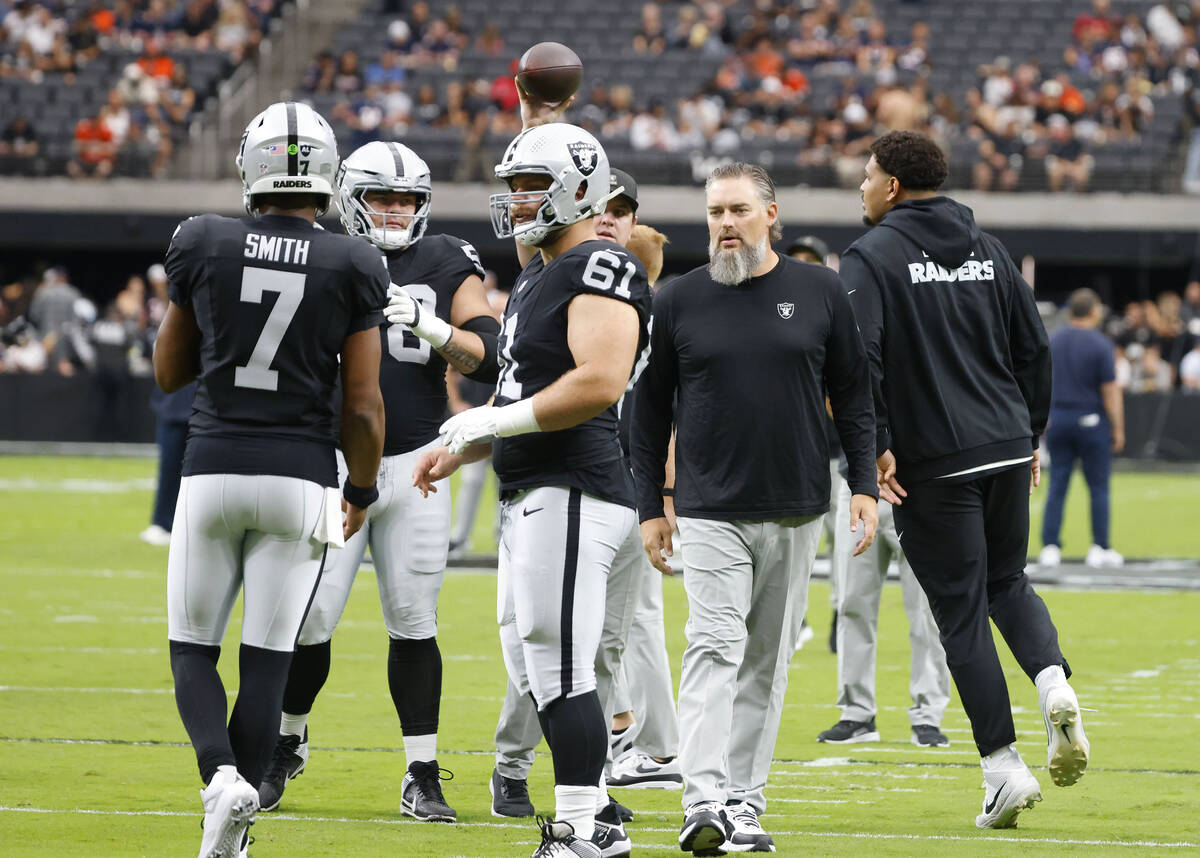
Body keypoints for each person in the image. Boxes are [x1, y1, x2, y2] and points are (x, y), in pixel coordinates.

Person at [155, 101, 388, 858]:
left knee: (194, 647)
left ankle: (220, 777)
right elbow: (363, 404)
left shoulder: (203, 240)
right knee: (268, 659)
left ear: (252, 168)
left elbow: (168, 372)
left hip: (214, 465)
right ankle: (242, 817)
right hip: (302, 476)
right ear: (328, 174)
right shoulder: (354, 259)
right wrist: (360, 488)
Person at [413, 123, 651, 858]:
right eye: (514, 186)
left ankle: (583, 824)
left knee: (560, 661)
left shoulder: (601, 262)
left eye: (532, 186)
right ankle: (590, 815)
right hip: (533, 488)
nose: (518, 200)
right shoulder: (542, 273)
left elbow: (599, 380)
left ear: (578, 188)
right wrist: (468, 443)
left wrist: (489, 418)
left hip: (575, 484)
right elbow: (526, 391)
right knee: (534, 665)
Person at [842, 130, 1089, 830]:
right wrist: (1029, 433)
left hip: (934, 463)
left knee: (958, 612)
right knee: (1008, 582)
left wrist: (876, 449)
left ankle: (1002, 769)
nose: (861, 187)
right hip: (1008, 446)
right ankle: (1052, 682)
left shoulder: (872, 253)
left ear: (891, 186)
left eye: (867, 176)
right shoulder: (989, 246)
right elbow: (1032, 347)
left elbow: (861, 361)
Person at [632, 162, 878, 856]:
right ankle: (703, 799)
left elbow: (856, 400)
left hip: (799, 508)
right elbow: (648, 417)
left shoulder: (822, 292)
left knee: (765, 663)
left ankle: (745, 802)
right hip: (709, 512)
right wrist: (653, 504)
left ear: (771, 215)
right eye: (715, 213)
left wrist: (861, 485)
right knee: (713, 647)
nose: (725, 225)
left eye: (738, 210)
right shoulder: (677, 300)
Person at [255, 140, 501, 821]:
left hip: (418, 464)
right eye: (383, 198)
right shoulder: (320, 253)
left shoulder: (446, 259)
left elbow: (490, 357)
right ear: (348, 198)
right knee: (311, 623)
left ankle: (422, 771)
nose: (395, 212)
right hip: (332, 464)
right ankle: (288, 741)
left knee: (415, 624)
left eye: (407, 200)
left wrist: (432, 325)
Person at [816, 480, 952, 748]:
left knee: (927, 611)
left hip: (919, 485)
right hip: (859, 486)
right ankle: (856, 713)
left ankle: (928, 715)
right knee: (852, 604)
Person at [1038, 288, 1125, 569]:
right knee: (1098, 486)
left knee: (1057, 485)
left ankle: (1050, 546)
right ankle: (1099, 546)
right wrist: (1118, 428)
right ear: (1094, 311)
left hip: (1059, 419)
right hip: (1091, 420)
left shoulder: (1055, 340)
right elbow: (1110, 391)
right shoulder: (1101, 344)